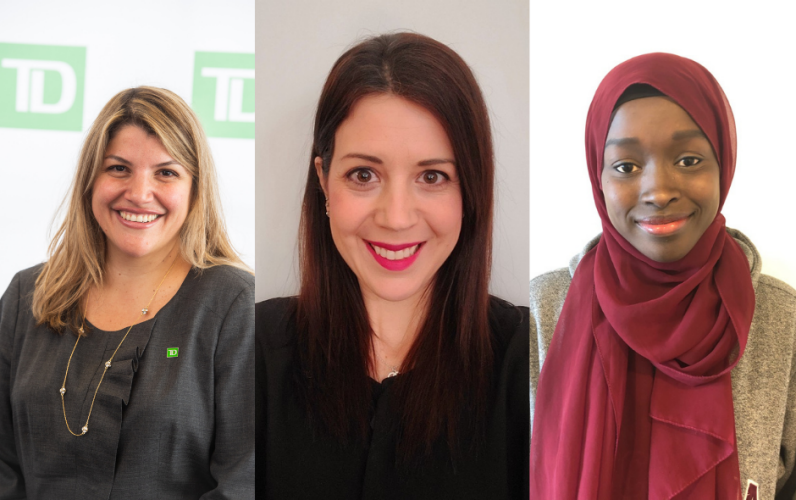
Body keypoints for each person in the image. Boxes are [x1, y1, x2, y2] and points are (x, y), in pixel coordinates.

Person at [256, 32, 529, 499]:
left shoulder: (530, 364)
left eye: (432, 176)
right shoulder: (252, 347)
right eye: (364, 175)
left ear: (471, 189)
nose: (397, 217)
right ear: (323, 180)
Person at [529, 53, 796, 499]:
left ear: (723, 164)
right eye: (626, 167)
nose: (659, 191)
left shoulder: (780, 318)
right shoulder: (543, 309)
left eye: (689, 160)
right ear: (599, 178)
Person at [0, 87, 255, 499]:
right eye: (119, 168)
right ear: (90, 180)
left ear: (194, 190)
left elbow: (244, 481)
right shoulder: (25, 297)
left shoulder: (231, 305)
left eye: (166, 172)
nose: (139, 193)